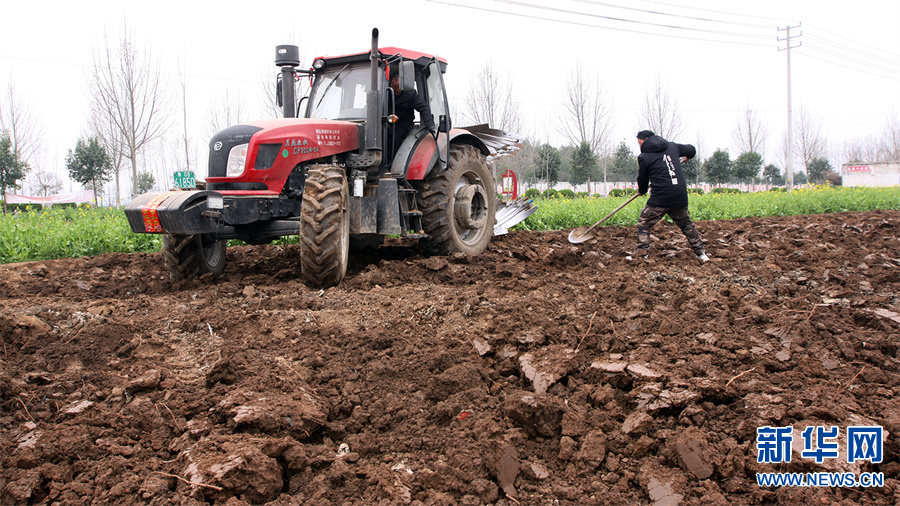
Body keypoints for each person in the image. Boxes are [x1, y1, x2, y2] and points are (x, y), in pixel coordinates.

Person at [634, 129, 709, 263]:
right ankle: (701, 253)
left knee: (644, 222)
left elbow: (643, 178)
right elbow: (691, 150)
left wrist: (642, 191)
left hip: (660, 198)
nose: (640, 146)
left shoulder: (645, 156)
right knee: (686, 224)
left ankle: (642, 254)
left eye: (639, 143)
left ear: (645, 140)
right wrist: (687, 157)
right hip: (679, 196)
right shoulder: (672, 147)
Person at [388, 65, 435, 158]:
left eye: (399, 88)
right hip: (387, 121)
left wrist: (430, 125)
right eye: (394, 87)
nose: (397, 90)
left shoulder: (410, 94)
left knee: (396, 137)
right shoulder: (384, 94)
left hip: (403, 122)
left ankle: (390, 163)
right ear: (389, 84)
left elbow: (423, 107)